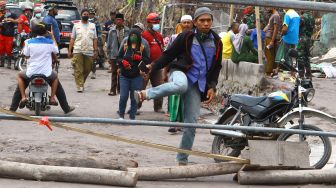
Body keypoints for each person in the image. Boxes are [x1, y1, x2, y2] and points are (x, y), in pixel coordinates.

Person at [136, 7, 223, 165]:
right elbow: (168, 55)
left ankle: (182, 160)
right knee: (181, 85)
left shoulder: (216, 41)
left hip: (198, 84)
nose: (205, 23)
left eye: (208, 20)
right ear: (195, 22)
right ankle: (146, 94)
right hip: (180, 73)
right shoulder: (186, 37)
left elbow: (217, 66)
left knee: (191, 124)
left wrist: (212, 86)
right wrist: (152, 66)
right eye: (202, 20)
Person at [17, 23, 59, 108]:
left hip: (32, 72)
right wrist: (53, 37)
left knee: (19, 75)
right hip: (46, 73)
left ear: (34, 32)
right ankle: (52, 98)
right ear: (45, 32)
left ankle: (23, 97)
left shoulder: (29, 42)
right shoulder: (50, 42)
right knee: (55, 77)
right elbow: (56, 51)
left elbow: (26, 54)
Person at [117, 29, 150, 120]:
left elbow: (147, 60)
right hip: (124, 76)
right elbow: (118, 58)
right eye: (132, 36)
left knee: (134, 97)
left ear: (139, 37)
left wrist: (140, 58)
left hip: (137, 76)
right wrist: (123, 62)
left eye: (135, 36)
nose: (133, 38)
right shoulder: (125, 46)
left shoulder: (142, 48)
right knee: (123, 96)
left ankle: (132, 116)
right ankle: (121, 115)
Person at [68, 9, 98, 93]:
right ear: (81, 15)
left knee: (88, 68)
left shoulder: (93, 26)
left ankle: (81, 82)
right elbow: (72, 39)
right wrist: (70, 50)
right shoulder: (76, 26)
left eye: (87, 14)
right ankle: (80, 85)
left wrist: (95, 50)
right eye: (84, 14)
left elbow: (95, 39)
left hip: (89, 50)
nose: (86, 15)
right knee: (78, 69)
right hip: (78, 50)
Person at [141, 13, 165, 113]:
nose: (157, 24)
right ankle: (136, 106)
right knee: (140, 86)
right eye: (155, 22)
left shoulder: (159, 36)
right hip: (146, 66)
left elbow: (162, 49)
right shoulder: (143, 35)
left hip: (157, 66)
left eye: (158, 22)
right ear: (149, 23)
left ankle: (158, 107)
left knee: (159, 87)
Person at [107, 13, 130, 96]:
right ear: (115, 21)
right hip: (114, 54)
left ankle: (120, 89)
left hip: (124, 55)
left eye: (120, 20)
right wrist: (109, 56)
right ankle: (113, 90)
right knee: (114, 73)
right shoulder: (111, 31)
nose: (119, 21)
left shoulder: (127, 31)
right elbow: (109, 44)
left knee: (122, 73)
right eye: (117, 20)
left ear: (123, 21)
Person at [274, 9, 300, 75]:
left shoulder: (288, 14)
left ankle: (278, 69)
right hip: (295, 38)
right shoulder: (297, 15)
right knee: (292, 55)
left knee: (282, 54)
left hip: (287, 38)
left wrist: (281, 35)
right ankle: (292, 71)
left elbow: (284, 29)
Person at [297, 11, 315, 78]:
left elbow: (297, 27)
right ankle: (308, 74)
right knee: (306, 57)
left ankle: (301, 74)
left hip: (302, 39)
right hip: (309, 39)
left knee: (300, 56)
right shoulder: (312, 18)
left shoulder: (302, 17)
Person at [263, 7, 280, 76]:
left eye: (268, 6)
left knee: (269, 55)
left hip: (270, 37)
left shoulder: (276, 15)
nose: (267, 8)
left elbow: (275, 29)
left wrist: (272, 41)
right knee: (270, 54)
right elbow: (268, 26)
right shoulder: (273, 15)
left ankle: (268, 71)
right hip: (269, 37)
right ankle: (271, 70)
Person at [88, 8, 104, 79]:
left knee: (94, 56)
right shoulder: (85, 20)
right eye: (90, 14)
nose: (91, 15)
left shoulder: (96, 22)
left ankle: (93, 72)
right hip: (86, 41)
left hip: (94, 40)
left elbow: (99, 32)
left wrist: (98, 40)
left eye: (92, 14)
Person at [0, 4, 18, 68]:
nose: (3, 11)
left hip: (9, 36)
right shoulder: (2, 16)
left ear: (7, 9)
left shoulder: (13, 15)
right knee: (1, 49)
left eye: (4, 9)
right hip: (2, 35)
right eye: (2, 10)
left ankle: (9, 64)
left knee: (9, 50)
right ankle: (2, 63)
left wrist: (11, 20)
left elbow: (18, 21)